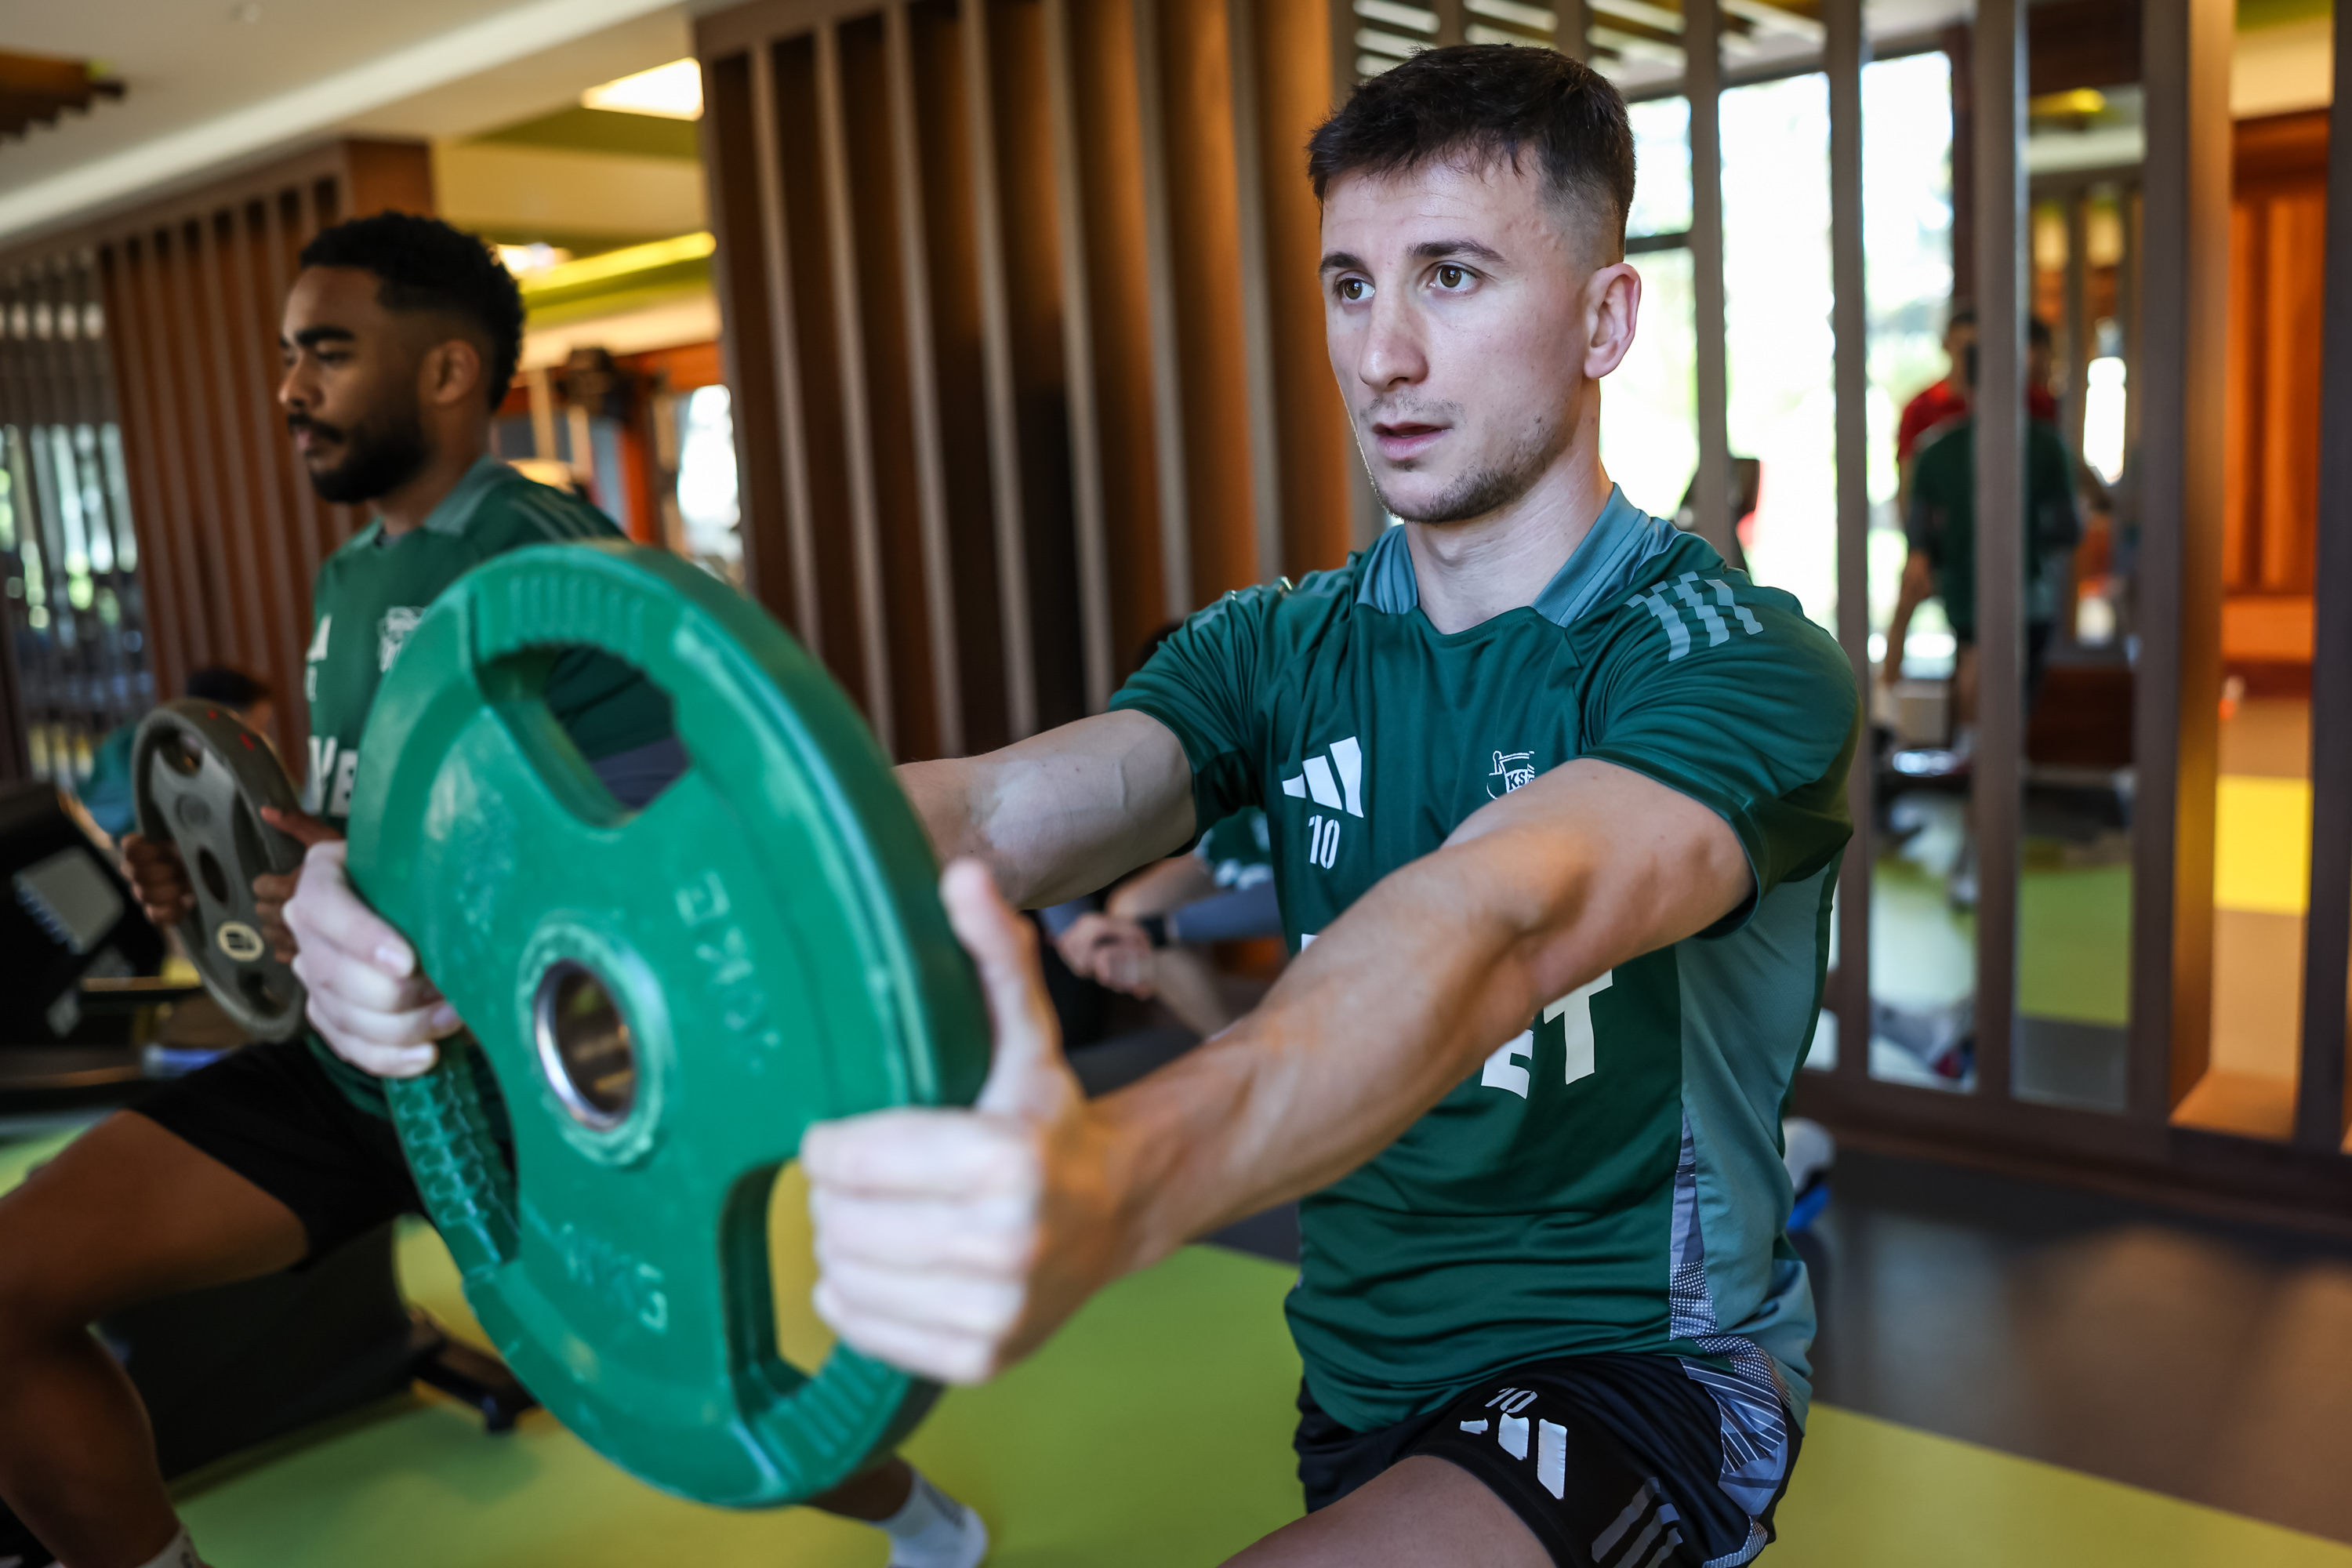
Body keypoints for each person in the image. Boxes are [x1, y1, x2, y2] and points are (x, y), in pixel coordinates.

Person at [289, 46, 1855, 1568]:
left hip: (1635, 1369)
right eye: (1348, 284)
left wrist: (1116, 1176)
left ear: (1604, 319)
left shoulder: (1733, 663)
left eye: (1452, 277)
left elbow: (1500, 919)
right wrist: (463, 912)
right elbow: (985, 817)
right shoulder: (1280, 646)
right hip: (1362, 1378)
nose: (1382, 354)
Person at [0, 213, 986, 1568]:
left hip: (528, 1087)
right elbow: (356, 843)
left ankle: (923, 1521)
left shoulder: (546, 557)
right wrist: (229, 888)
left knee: (685, 1397)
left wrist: (374, 883)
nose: (291, 388)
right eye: (287, 355)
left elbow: (659, 841)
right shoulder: (354, 573)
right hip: (348, 1071)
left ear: (450, 371)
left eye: (327, 353)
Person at [1881, 339, 2085, 746]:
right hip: (2030, 596)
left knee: (1975, 683)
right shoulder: (2046, 446)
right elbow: (2068, 529)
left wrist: (1944, 552)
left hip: (1965, 594)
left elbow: (1919, 531)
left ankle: (1968, 760)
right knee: (2010, 704)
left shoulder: (1936, 450)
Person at [1055, 805, 1280, 1037]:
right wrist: (1076, 936)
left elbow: (1294, 895)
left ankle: (1241, 1042)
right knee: (1131, 911)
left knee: (1137, 936)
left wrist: (1157, 929)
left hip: (1292, 857)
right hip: (1239, 825)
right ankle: (1235, 1037)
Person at [73, 668, 276, 844]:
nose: (260, 737)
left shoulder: (203, 761)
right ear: (216, 719)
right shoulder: (137, 759)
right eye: (256, 725)